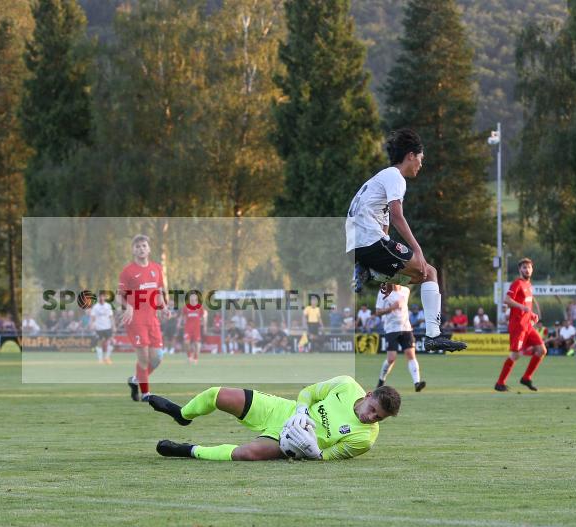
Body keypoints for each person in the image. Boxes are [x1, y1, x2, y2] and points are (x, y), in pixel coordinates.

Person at [347, 129, 465, 351]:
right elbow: (396, 214)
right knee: (429, 271)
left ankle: (371, 271)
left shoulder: (378, 180)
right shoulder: (395, 177)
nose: (420, 164)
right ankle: (433, 335)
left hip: (358, 246)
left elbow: (384, 224)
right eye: (420, 159)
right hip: (369, 242)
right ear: (411, 155)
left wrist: (389, 274)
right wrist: (417, 250)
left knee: (422, 275)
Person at [147, 376, 401, 461]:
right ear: (368, 395)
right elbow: (309, 393)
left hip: (289, 440)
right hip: (282, 410)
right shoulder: (346, 385)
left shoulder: (364, 440)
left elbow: (328, 457)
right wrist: (301, 410)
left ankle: (187, 451)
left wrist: (314, 454)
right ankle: (182, 415)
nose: (371, 418)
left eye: (379, 417)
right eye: (372, 409)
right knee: (218, 395)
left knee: (246, 454)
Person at [119, 234, 167, 402]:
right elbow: (120, 297)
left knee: (157, 358)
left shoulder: (156, 268)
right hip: (136, 321)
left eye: (144, 246)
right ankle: (146, 393)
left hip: (152, 320)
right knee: (144, 358)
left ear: (149, 249)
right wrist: (129, 307)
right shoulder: (127, 272)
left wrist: (163, 307)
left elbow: (159, 291)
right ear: (133, 250)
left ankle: (135, 380)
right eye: (138, 246)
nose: (141, 249)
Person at [495, 258, 546, 392]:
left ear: (532, 270)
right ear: (520, 270)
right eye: (524, 267)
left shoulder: (529, 286)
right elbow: (506, 300)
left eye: (529, 267)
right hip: (518, 326)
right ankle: (500, 383)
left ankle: (526, 378)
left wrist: (532, 315)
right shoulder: (517, 283)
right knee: (515, 355)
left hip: (527, 326)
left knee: (542, 350)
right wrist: (521, 307)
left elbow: (527, 306)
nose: (526, 269)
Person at [375, 284, 425, 392]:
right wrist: (391, 308)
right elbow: (378, 312)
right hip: (391, 329)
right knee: (391, 358)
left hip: (406, 328)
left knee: (411, 355)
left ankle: (417, 383)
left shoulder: (406, 291)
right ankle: (381, 381)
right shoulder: (383, 293)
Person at [89, 294, 115, 364]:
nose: (101, 298)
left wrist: (114, 326)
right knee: (99, 343)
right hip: (99, 327)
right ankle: (100, 360)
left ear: (104, 298)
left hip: (108, 327)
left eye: (103, 296)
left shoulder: (108, 306)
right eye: (100, 297)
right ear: (98, 298)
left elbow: (111, 316)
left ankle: (107, 358)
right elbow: (92, 317)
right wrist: (91, 324)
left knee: (111, 342)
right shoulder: (95, 307)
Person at [180, 292, 205, 364]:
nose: (192, 301)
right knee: (186, 343)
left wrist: (204, 325)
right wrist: (180, 323)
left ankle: (196, 358)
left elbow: (203, 317)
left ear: (196, 300)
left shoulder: (200, 307)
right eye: (191, 300)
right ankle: (189, 356)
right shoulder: (186, 307)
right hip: (187, 328)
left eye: (194, 300)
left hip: (196, 329)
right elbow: (182, 316)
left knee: (197, 344)